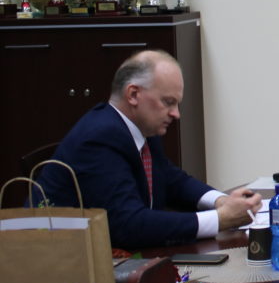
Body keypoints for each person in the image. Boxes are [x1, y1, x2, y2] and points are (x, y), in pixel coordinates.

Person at [34, 50, 261, 249]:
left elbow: (172, 180)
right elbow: (128, 224)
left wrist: (221, 201)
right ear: (133, 94)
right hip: (61, 263)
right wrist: (220, 219)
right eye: (168, 102)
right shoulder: (100, 137)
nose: (176, 114)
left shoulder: (140, 128)